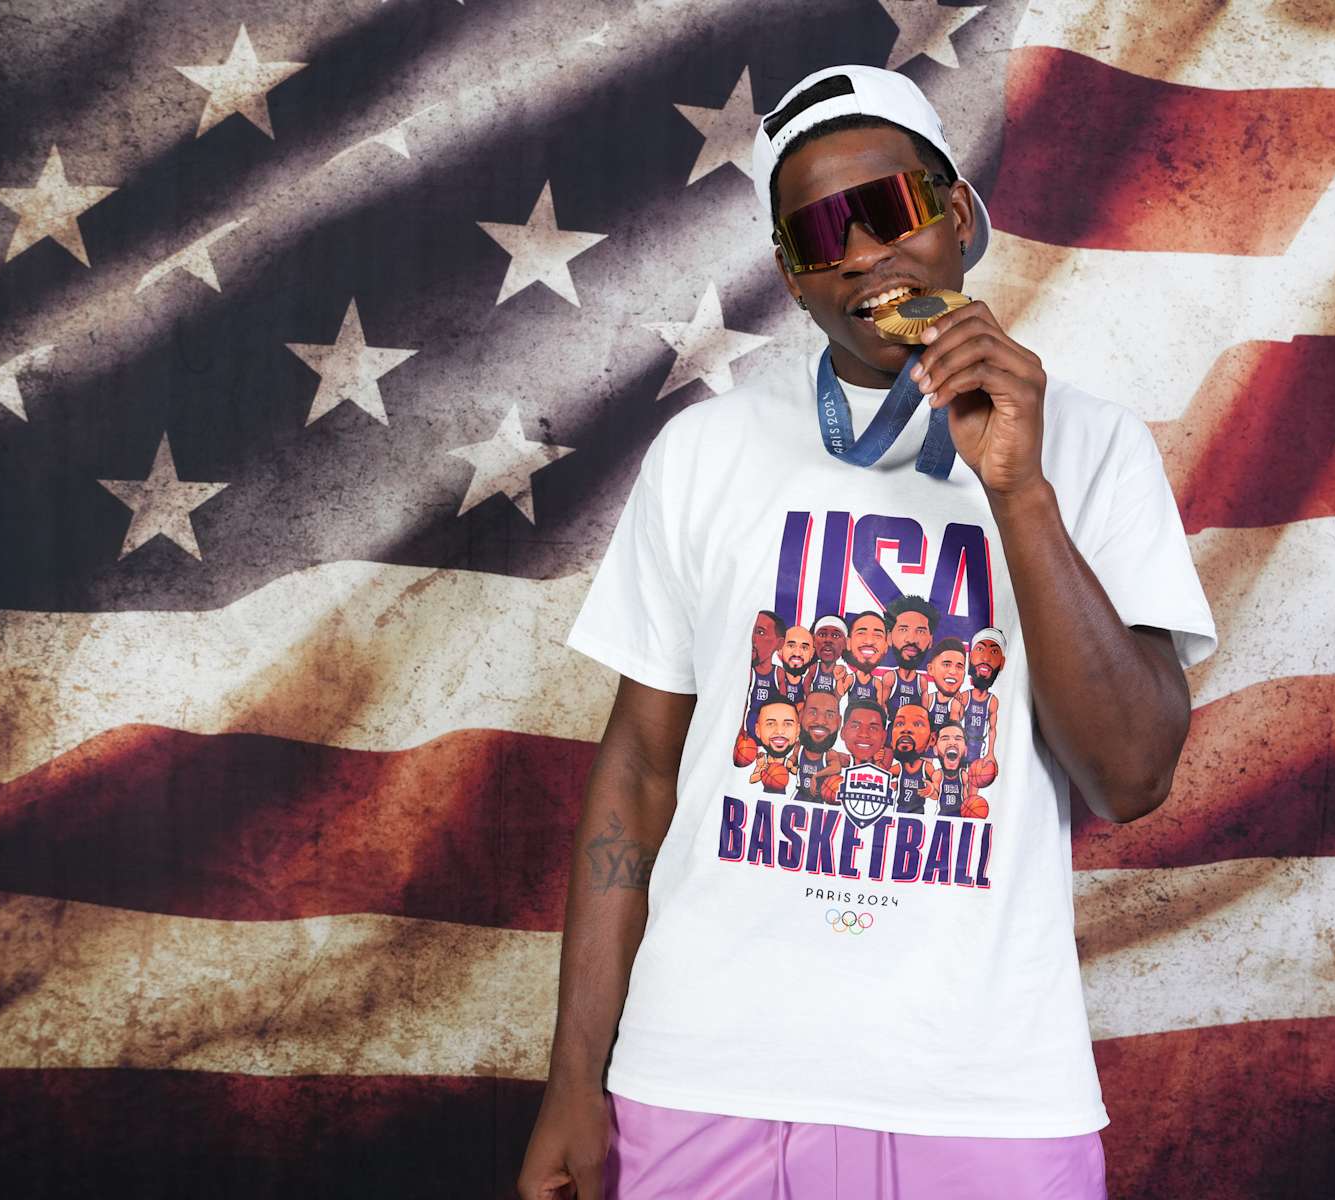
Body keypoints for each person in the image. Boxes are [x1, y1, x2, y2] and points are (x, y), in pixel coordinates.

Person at [518, 63, 1216, 1199]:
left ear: (955, 216)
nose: (867, 254)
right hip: (703, 1080)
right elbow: (640, 771)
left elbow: (1131, 775)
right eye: (821, 234)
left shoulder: (1093, 451)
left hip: (986, 1090)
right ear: (794, 277)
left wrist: (1018, 490)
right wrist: (571, 1081)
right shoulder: (707, 454)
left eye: (890, 209)